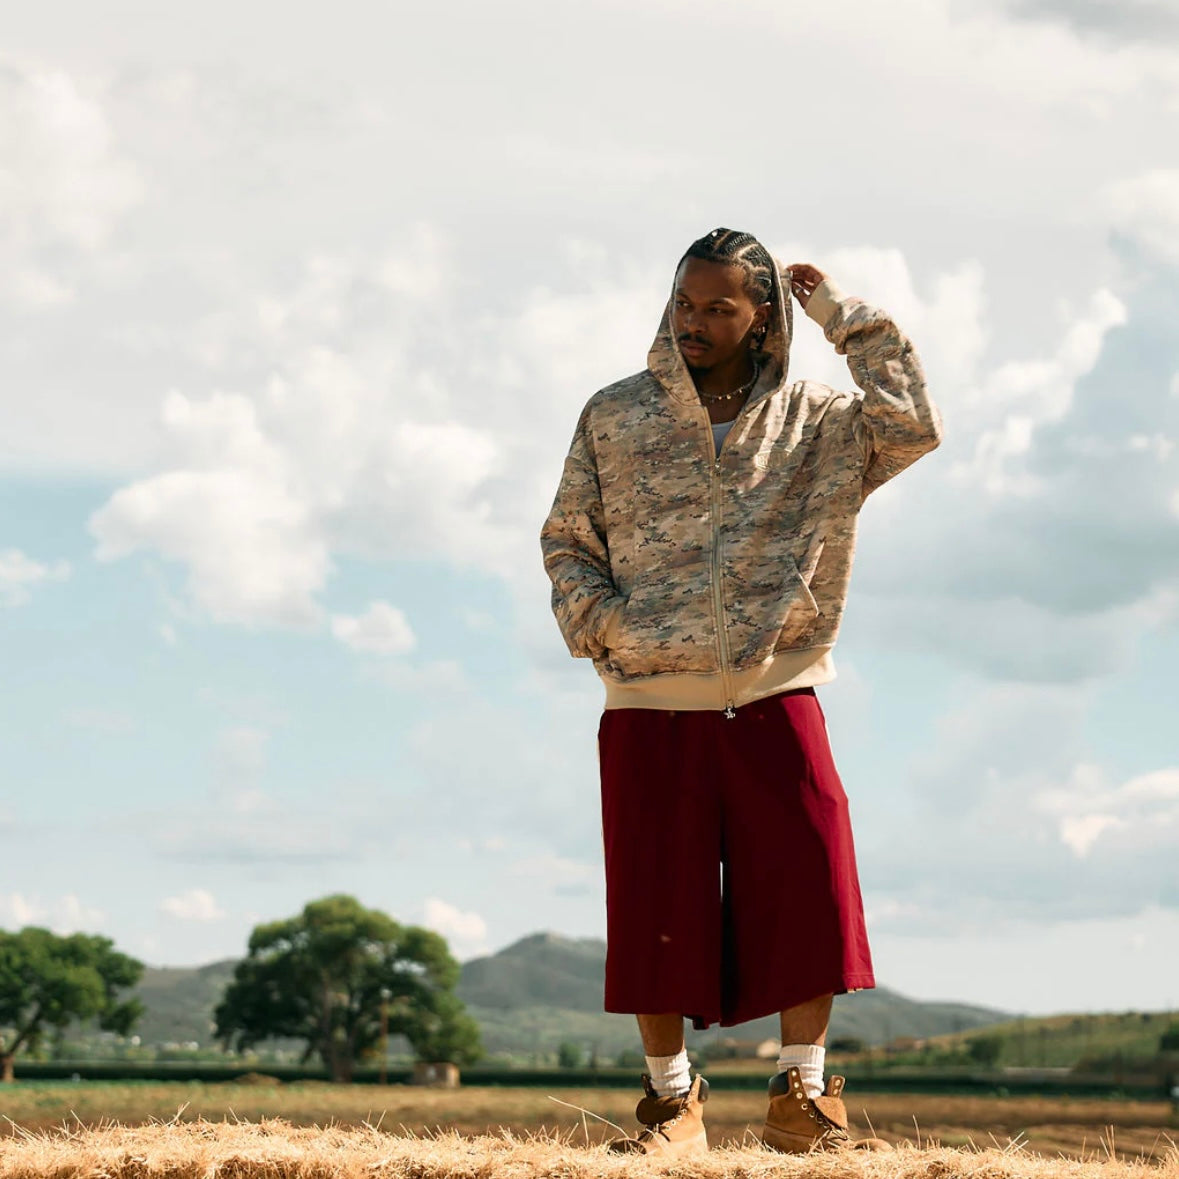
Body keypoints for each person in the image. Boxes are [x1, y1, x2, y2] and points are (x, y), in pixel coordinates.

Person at [539, 228, 942, 1155]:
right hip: (648, 696)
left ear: (762, 318)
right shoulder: (614, 415)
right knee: (655, 905)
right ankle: (670, 1103)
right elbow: (567, 539)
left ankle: (802, 1095)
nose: (693, 321)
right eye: (684, 302)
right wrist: (606, 626)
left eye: (718, 308)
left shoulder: (818, 423)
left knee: (811, 883)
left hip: (775, 687)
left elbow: (911, 422)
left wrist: (841, 317)